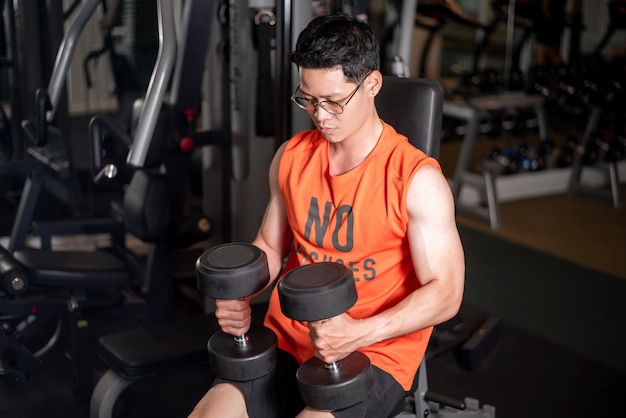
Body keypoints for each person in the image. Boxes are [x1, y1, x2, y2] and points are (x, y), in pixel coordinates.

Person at [188, 13, 464, 418]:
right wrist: (242, 292)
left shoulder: (415, 180)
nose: (320, 116)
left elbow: (446, 292)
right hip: (286, 340)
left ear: (372, 84)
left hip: (372, 352)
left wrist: (358, 332)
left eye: (334, 102)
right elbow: (269, 244)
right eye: (309, 100)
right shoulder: (291, 156)